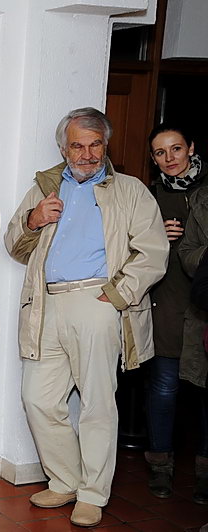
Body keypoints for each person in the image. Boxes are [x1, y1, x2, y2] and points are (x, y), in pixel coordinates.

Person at [4, 107, 168, 527]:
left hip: (98, 302)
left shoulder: (130, 190)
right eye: (78, 145)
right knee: (38, 398)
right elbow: (14, 246)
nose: (88, 154)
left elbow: (153, 252)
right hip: (46, 304)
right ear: (64, 148)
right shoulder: (45, 187)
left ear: (106, 145)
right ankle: (65, 481)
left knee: (97, 403)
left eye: (96, 144)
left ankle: (93, 494)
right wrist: (33, 220)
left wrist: (117, 296)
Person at [145, 123, 208, 501]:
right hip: (167, 303)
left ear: (191, 148)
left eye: (176, 149)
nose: (169, 158)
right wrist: (158, 239)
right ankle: (160, 466)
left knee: (205, 393)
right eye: (160, 152)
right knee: (164, 389)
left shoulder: (206, 190)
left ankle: (204, 473)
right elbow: (129, 248)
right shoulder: (149, 196)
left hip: (204, 307)